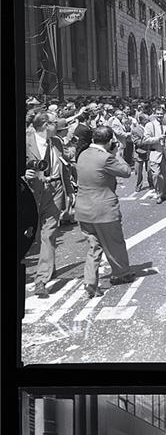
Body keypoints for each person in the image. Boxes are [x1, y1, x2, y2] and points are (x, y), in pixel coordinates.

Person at [74, 125, 135, 298]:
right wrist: (118, 154)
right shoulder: (106, 158)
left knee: (94, 247)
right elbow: (126, 172)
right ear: (109, 142)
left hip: (83, 209)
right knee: (115, 243)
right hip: (103, 209)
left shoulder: (83, 154)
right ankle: (122, 273)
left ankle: (90, 282)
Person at [24, 112, 75, 298]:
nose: (58, 126)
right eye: (55, 123)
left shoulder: (58, 142)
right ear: (46, 125)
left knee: (49, 233)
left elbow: (65, 167)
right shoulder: (25, 141)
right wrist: (23, 174)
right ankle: (48, 266)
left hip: (55, 190)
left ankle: (41, 279)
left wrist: (69, 192)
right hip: (32, 192)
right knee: (35, 234)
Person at [144, 111, 166, 204]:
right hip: (155, 153)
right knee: (156, 175)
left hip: (165, 154)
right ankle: (158, 193)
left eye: (161, 113)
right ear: (154, 114)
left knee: (165, 175)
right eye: (158, 113)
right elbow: (146, 139)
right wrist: (158, 138)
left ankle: (164, 194)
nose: (160, 115)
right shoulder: (150, 125)